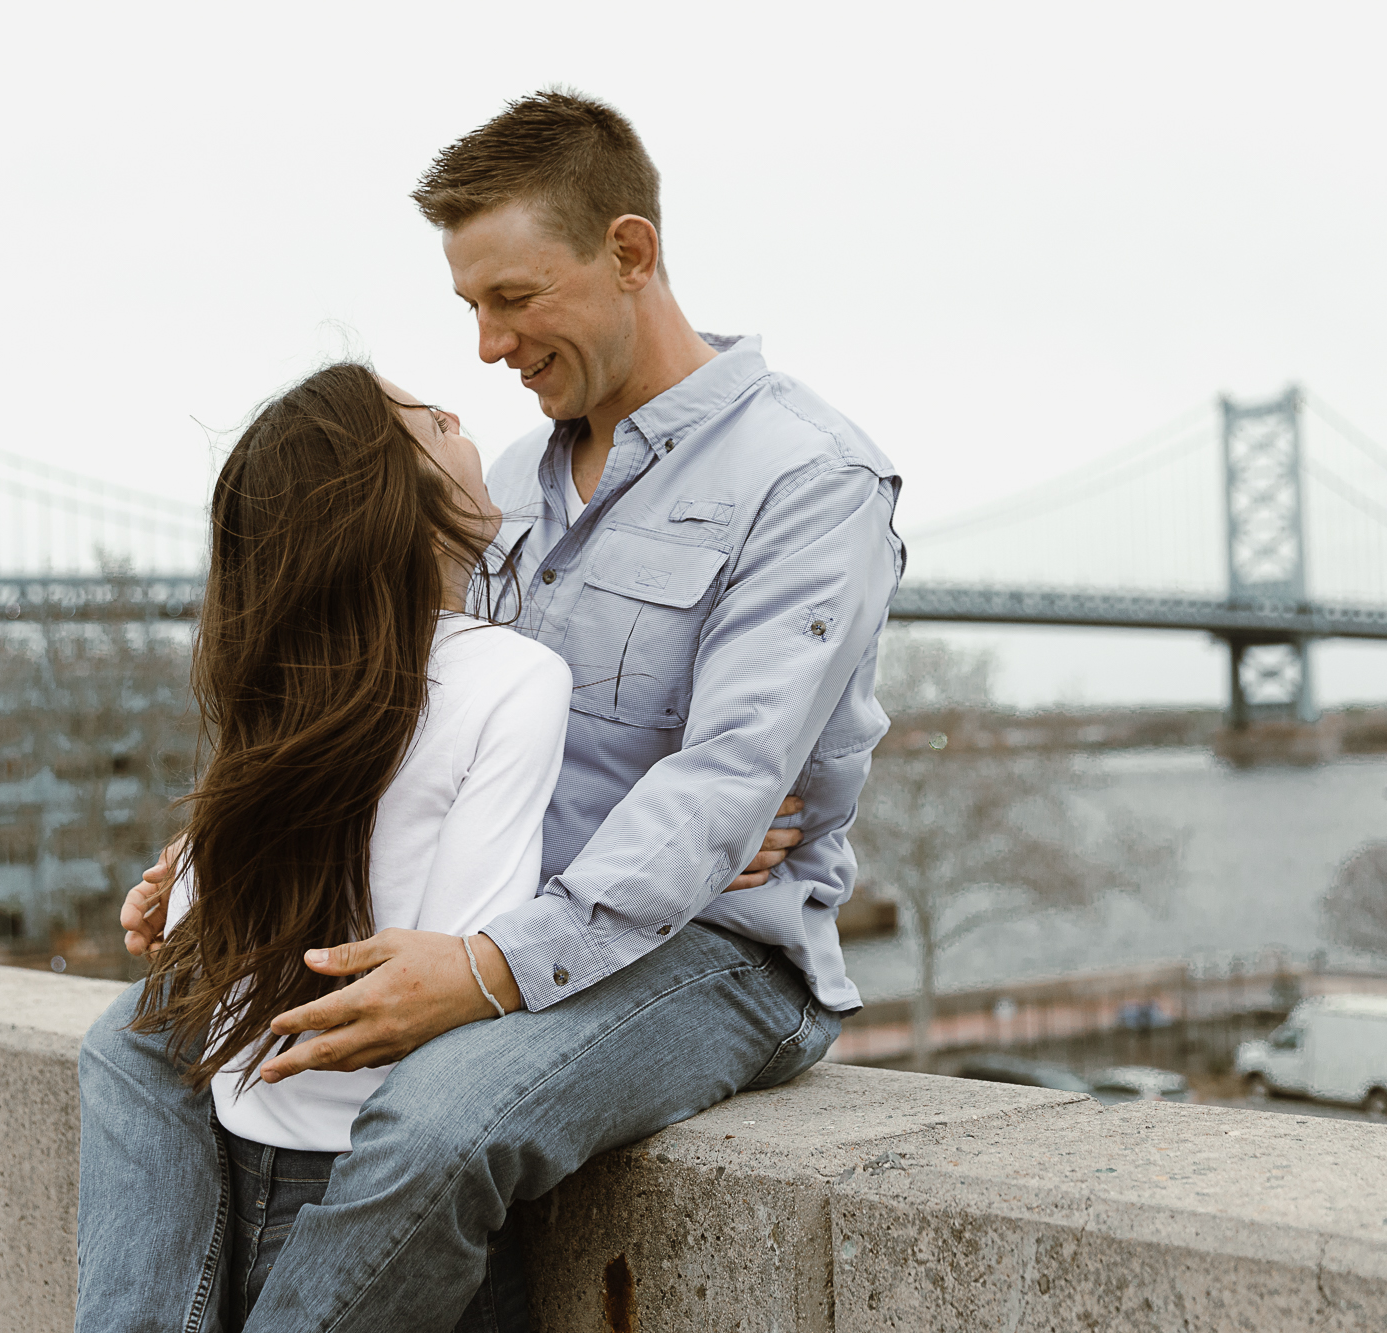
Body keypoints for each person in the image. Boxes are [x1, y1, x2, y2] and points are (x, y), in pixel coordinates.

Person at [83, 89, 903, 1332]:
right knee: (138, 1041)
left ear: (628, 252)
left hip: (714, 949)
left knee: (437, 1121)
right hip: (486, 909)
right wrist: (225, 861)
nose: (483, 346)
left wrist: (483, 968)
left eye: (511, 299)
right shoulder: (503, 483)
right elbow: (376, 709)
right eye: (468, 304)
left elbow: (723, 787)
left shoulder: (806, 479)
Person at [79, 361, 570, 1331]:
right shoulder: (514, 678)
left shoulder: (295, 684)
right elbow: (457, 980)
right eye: (434, 421)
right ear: (402, 503)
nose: (460, 416)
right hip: (377, 1206)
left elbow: (208, 944)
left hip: (239, 1168)